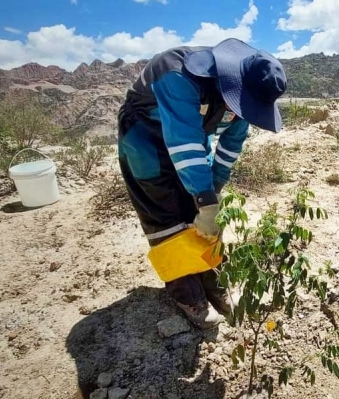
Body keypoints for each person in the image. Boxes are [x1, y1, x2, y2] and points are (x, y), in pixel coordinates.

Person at [116, 38, 287, 329]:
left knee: (203, 215)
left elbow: (230, 145)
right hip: (145, 139)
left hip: (192, 140)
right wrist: (204, 200)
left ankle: (213, 281)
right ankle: (187, 292)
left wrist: (213, 193)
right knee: (166, 214)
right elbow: (182, 143)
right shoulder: (176, 73)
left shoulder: (244, 97)